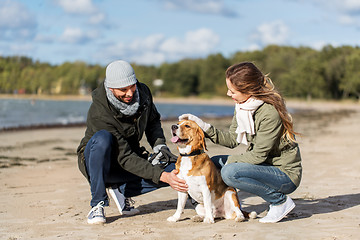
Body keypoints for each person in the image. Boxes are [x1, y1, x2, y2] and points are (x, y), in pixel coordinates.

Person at [180, 62, 302, 223]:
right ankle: (211, 204)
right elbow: (232, 140)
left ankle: (280, 202)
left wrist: (231, 162)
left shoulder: (269, 113)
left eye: (232, 91)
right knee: (213, 163)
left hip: (284, 174)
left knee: (230, 173)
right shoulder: (243, 107)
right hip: (265, 166)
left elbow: (258, 156)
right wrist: (204, 127)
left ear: (248, 90)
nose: (228, 93)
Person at [77, 60, 187, 224]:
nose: (130, 93)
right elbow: (125, 156)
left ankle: (119, 189)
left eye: (132, 86)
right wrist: (163, 176)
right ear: (111, 88)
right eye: (123, 89)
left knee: (177, 169)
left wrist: (160, 147)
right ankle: (97, 204)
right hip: (99, 161)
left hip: (130, 156)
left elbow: (153, 121)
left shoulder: (143, 93)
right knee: (103, 139)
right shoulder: (99, 112)